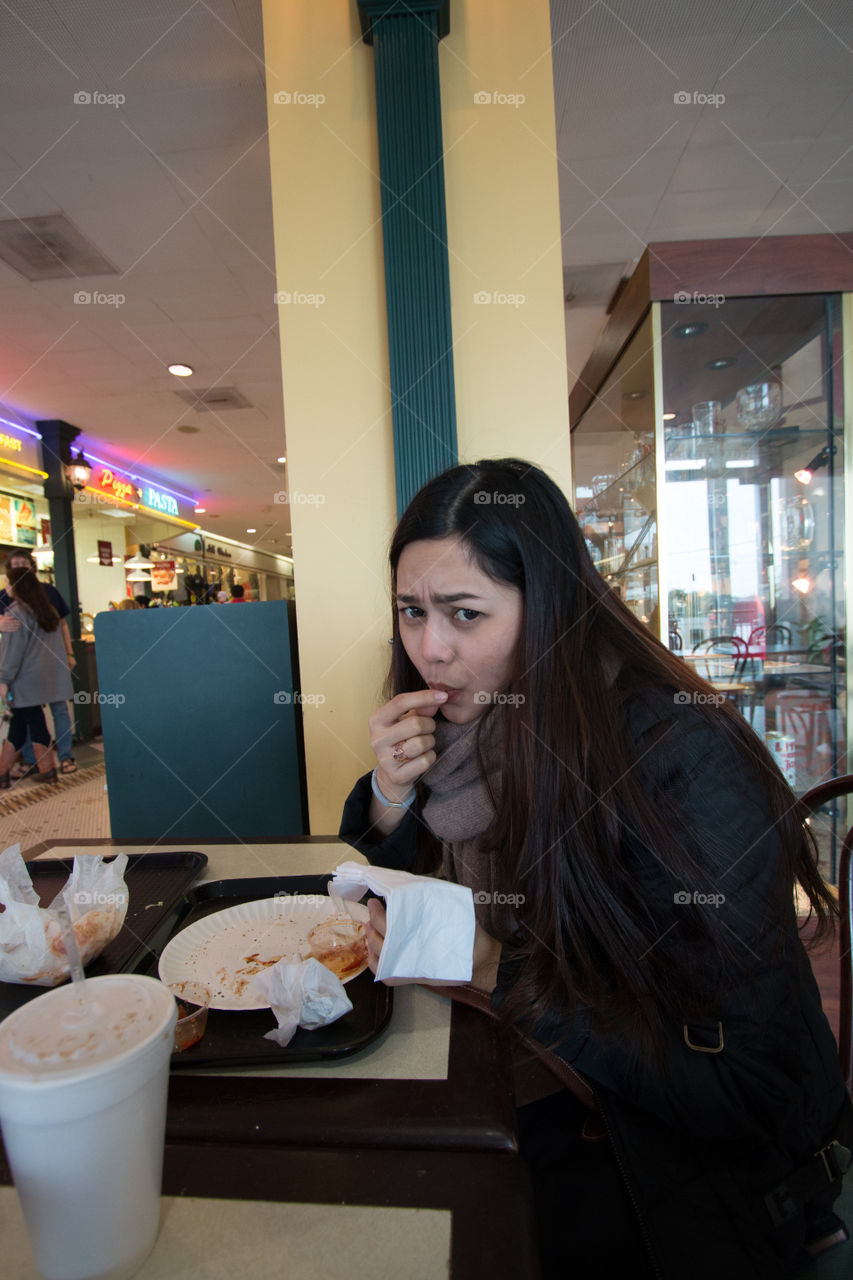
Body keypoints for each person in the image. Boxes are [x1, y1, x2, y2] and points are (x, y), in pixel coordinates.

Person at [339, 458, 853, 1279]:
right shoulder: (468, 731)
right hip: (530, 1074)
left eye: (463, 614)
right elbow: (412, 882)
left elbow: (742, 1085)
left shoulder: (678, 758)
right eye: (411, 611)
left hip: (686, 1172)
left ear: (548, 609)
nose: (429, 649)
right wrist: (390, 798)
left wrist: (489, 963)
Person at [0, 551, 76, 776]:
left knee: (29, 721)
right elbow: (61, 627)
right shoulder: (48, 610)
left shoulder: (17, 612)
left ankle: (44, 767)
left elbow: (12, 653)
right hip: (51, 674)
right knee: (24, 722)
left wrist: (3, 679)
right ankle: (39, 766)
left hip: (26, 680)